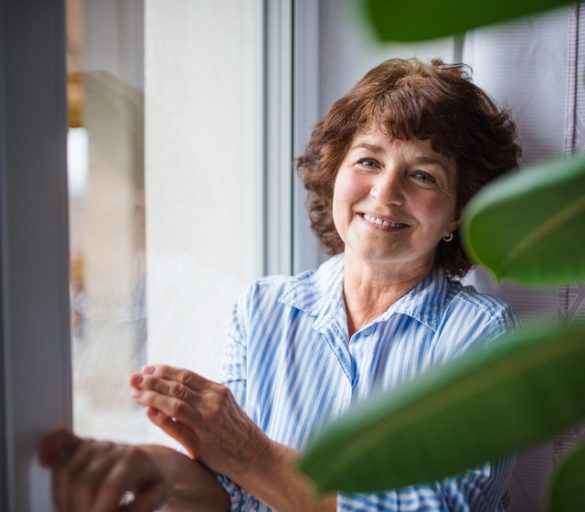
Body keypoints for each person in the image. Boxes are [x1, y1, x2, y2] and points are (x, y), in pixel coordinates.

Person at [39, 57, 522, 511]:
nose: (385, 193)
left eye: (422, 175)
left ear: (459, 212)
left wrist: (248, 451)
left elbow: (438, 506)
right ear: (334, 172)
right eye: (369, 162)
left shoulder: (480, 336)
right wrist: (153, 470)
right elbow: (237, 493)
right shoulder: (263, 307)